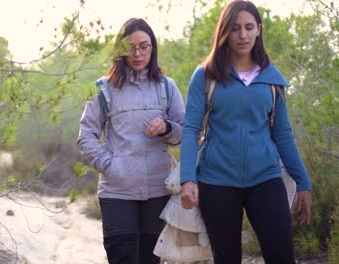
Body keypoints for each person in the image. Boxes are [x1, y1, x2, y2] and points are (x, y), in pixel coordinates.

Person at [179, 1, 312, 263]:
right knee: (227, 258)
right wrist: (188, 179)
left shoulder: (272, 78)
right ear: (224, 32)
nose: (243, 35)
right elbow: (191, 129)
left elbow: (283, 135)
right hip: (216, 182)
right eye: (235, 28)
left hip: (265, 178)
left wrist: (303, 182)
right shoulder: (205, 76)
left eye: (249, 27)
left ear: (259, 30)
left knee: (282, 256)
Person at [77, 18, 185, 264]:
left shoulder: (167, 87)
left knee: (149, 259)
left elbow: (184, 133)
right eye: (130, 47)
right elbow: (86, 136)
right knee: (122, 257)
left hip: (158, 189)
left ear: (153, 48)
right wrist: (110, 165)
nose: (137, 53)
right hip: (117, 191)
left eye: (144, 46)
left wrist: (167, 127)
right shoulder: (103, 89)